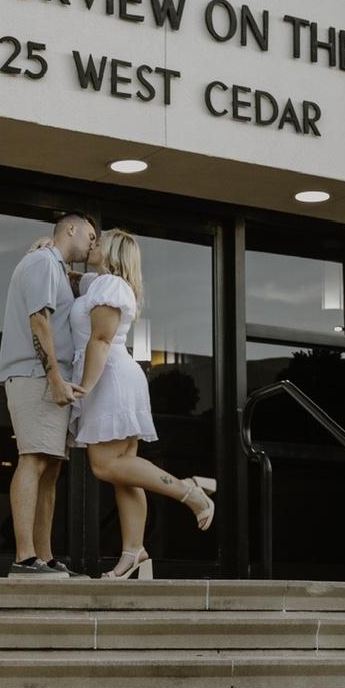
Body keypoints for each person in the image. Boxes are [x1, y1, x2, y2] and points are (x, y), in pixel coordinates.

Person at [70, 227, 216, 579]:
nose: (93, 243)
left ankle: (189, 491)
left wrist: (84, 387)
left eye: (99, 241)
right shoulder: (99, 282)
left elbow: (101, 340)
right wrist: (49, 251)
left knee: (105, 465)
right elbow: (72, 278)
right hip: (113, 377)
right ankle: (134, 551)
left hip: (108, 378)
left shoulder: (110, 285)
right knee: (125, 471)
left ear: (112, 253)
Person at [0, 210, 97, 577]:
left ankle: (45, 557)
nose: (93, 244)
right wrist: (54, 376)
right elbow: (39, 319)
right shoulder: (41, 262)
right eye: (90, 236)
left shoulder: (55, 266)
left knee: (50, 468)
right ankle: (25, 559)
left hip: (49, 377)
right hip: (36, 375)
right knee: (34, 459)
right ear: (71, 228)